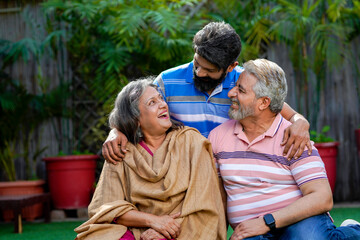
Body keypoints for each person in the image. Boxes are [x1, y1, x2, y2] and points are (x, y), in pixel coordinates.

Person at [102, 22, 312, 164]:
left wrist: (301, 122)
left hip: (228, 173)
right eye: (197, 63)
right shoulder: (167, 81)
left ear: (230, 67)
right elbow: (136, 112)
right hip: (180, 170)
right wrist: (116, 132)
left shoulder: (244, 84)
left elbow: (283, 111)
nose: (199, 72)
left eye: (209, 70)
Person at [208, 58, 360, 240]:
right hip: (250, 231)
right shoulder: (218, 137)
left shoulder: (293, 137)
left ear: (264, 103)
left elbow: (322, 197)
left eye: (240, 90)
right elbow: (219, 195)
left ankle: (352, 232)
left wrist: (266, 221)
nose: (231, 92)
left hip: (299, 222)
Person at [75, 78, 227, 240]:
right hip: (135, 228)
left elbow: (205, 203)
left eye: (161, 98)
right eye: (152, 102)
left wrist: (164, 229)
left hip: (184, 227)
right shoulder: (120, 151)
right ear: (135, 118)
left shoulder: (192, 142)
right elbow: (106, 208)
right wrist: (153, 221)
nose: (163, 104)